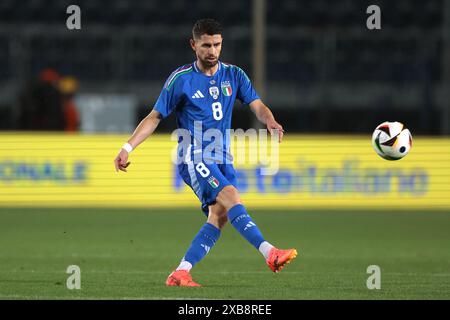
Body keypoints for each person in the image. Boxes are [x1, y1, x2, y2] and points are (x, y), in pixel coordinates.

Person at [114, 18, 297, 287]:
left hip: (222, 157)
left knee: (219, 216)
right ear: (193, 45)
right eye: (206, 45)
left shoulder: (234, 75)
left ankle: (181, 272)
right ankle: (270, 253)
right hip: (194, 156)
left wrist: (269, 120)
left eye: (217, 45)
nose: (212, 51)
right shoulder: (181, 79)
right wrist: (127, 147)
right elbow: (154, 117)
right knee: (232, 196)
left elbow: (257, 104)